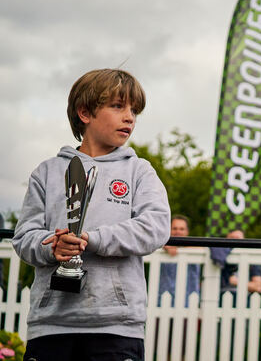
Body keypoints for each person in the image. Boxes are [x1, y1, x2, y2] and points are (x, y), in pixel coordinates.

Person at [12, 68, 170, 361]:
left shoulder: (139, 171)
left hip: (118, 326)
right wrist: (53, 245)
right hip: (51, 326)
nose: (129, 117)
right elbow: (23, 238)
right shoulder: (46, 172)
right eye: (117, 106)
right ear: (85, 113)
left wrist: (94, 239)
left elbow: (156, 227)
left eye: (134, 110)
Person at [158, 215, 201, 307]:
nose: (178, 231)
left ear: (187, 231)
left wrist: (181, 248)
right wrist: (165, 245)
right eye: (174, 228)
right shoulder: (160, 247)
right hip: (163, 302)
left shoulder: (197, 248)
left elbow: (206, 249)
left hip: (188, 303)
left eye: (182, 229)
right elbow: (152, 241)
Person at [210, 229, 261, 298]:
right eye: (232, 238)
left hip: (242, 298)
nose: (234, 242)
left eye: (238, 239)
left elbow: (258, 287)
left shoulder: (251, 260)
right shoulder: (218, 256)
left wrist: (236, 282)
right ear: (226, 239)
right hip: (219, 296)